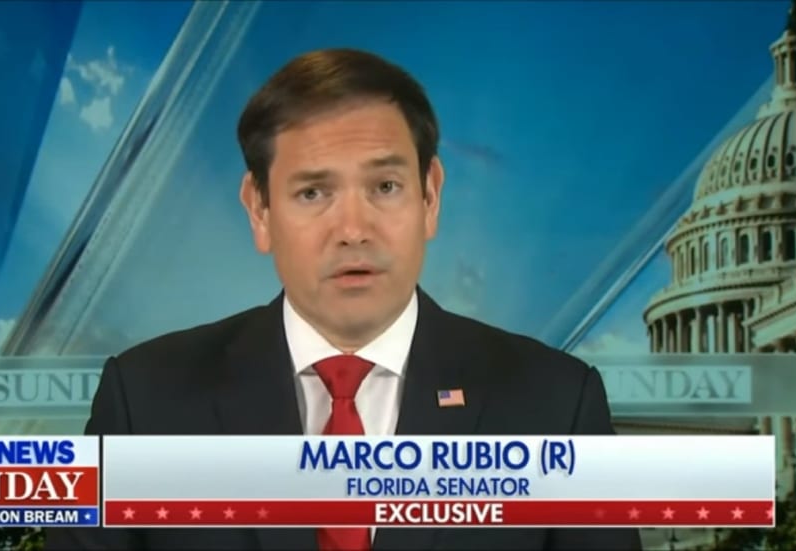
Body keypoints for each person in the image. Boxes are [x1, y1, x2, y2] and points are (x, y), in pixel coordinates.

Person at [45, 48, 642, 551]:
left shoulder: (556, 406)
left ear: (430, 197)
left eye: (385, 186)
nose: (353, 230)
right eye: (313, 193)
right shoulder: (145, 404)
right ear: (259, 209)